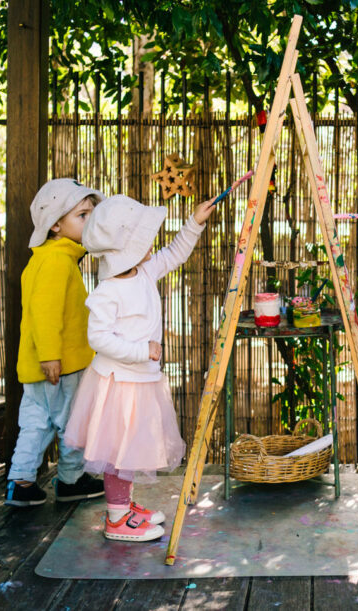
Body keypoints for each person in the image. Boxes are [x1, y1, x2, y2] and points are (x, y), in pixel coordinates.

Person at [65, 194, 216, 542]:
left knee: (128, 451)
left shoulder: (144, 271)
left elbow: (175, 253)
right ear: (126, 248)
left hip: (140, 382)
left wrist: (194, 223)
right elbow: (98, 338)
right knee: (118, 452)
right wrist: (140, 350)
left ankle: (124, 505)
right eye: (143, 238)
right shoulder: (107, 292)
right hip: (119, 385)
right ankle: (117, 518)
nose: (152, 243)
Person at [6, 179, 107, 507]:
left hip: (38, 366)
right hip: (60, 364)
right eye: (82, 215)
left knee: (35, 421)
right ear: (55, 226)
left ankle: (21, 482)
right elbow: (45, 313)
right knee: (71, 421)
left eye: (92, 213)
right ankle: (71, 479)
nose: (89, 221)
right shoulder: (57, 262)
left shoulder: (45, 258)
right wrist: (51, 356)